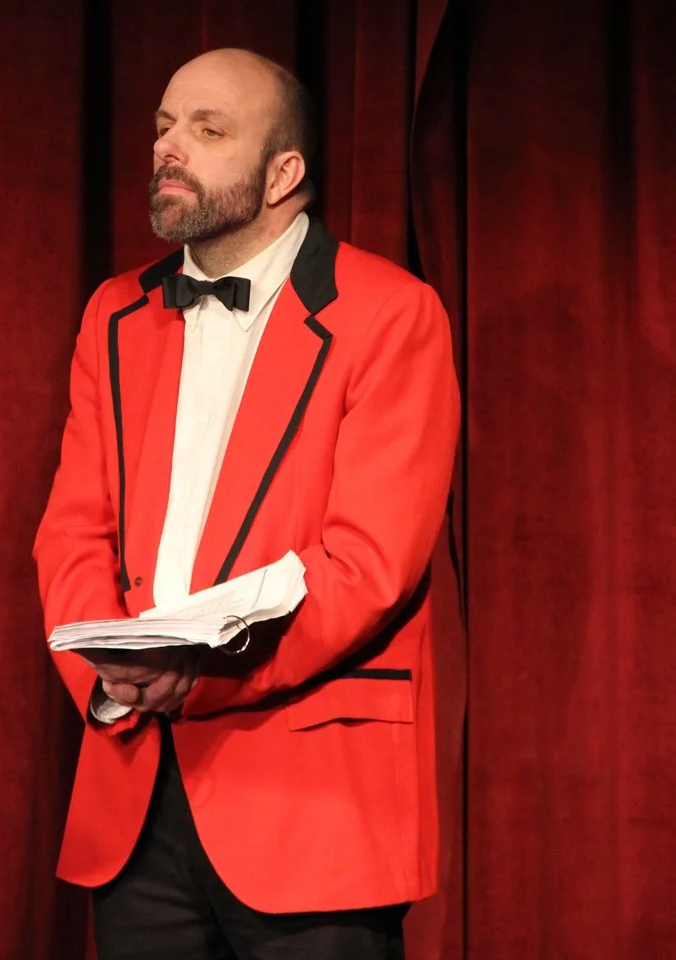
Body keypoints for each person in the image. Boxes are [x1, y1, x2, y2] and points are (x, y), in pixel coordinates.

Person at [34, 47, 460, 960]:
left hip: (311, 801)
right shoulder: (114, 314)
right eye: (164, 126)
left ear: (282, 173)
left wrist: (202, 676)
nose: (168, 147)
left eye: (207, 129)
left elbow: (368, 564)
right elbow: (71, 533)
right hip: (135, 793)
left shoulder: (391, 314)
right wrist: (110, 680)